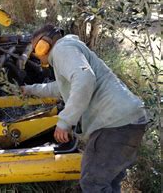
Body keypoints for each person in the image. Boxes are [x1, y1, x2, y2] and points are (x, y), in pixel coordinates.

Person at [22, 24, 147, 192]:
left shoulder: (61, 49)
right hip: (128, 122)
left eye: (37, 48)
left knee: (92, 184)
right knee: (109, 183)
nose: (36, 54)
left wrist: (65, 121)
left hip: (115, 126)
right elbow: (60, 87)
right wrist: (29, 90)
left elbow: (84, 78)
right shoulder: (68, 50)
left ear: (45, 44)